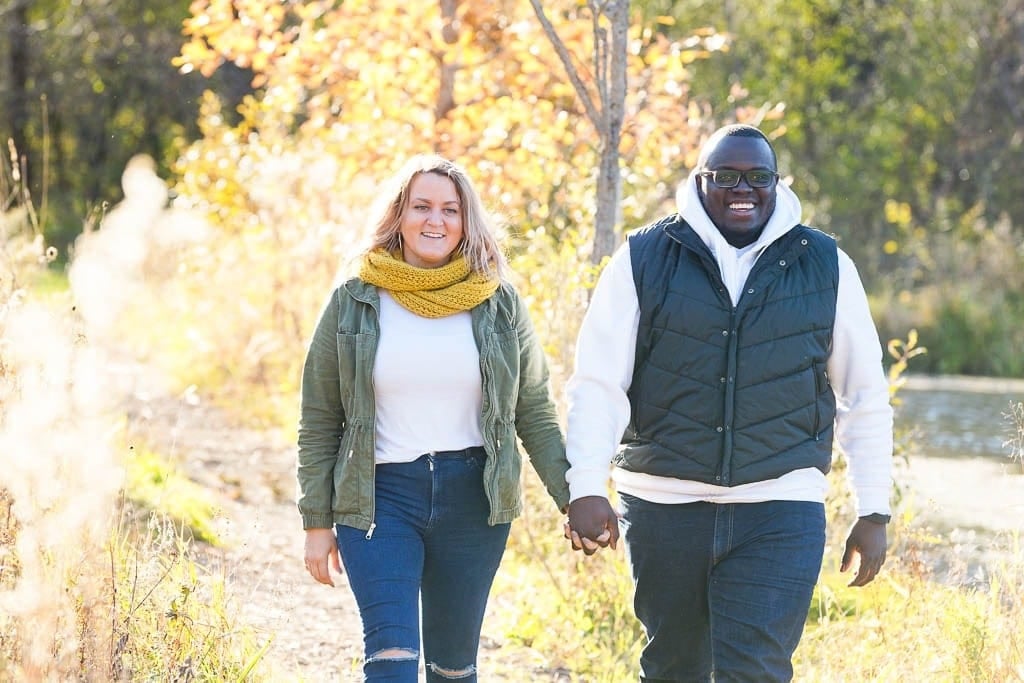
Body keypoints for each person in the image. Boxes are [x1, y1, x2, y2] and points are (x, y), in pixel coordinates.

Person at [563, 124, 894, 682]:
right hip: (664, 505)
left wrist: (874, 508)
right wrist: (587, 486)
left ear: (775, 183)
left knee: (758, 671)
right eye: (727, 177)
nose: (744, 189)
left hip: (780, 507)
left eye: (758, 177)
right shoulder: (644, 257)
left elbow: (863, 396)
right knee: (673, 668)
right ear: (701, 180)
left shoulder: (826, 264)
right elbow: (598, 381)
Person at [296, 154, 603, 682]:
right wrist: (316, 521)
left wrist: (573, 495)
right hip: (378, 500)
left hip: (474, 502)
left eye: (449, 210)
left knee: (452, 669)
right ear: (399, 215)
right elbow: (320, 417)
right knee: (390, 663)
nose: (434, 221)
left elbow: (533, 411)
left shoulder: (499, 303)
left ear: (466, 222)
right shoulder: (355, 300)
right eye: (421, 207)